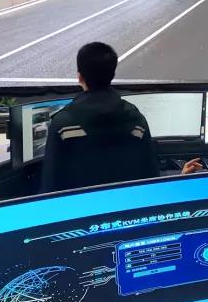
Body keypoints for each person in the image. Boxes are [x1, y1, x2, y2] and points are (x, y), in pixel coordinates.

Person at [40, 42, 160, 193]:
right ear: (113, 75)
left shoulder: (62, 124)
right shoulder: (136, 119)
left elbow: (50, 187)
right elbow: (151, 176)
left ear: (80, 77)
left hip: (81, 206)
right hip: (128, 203)